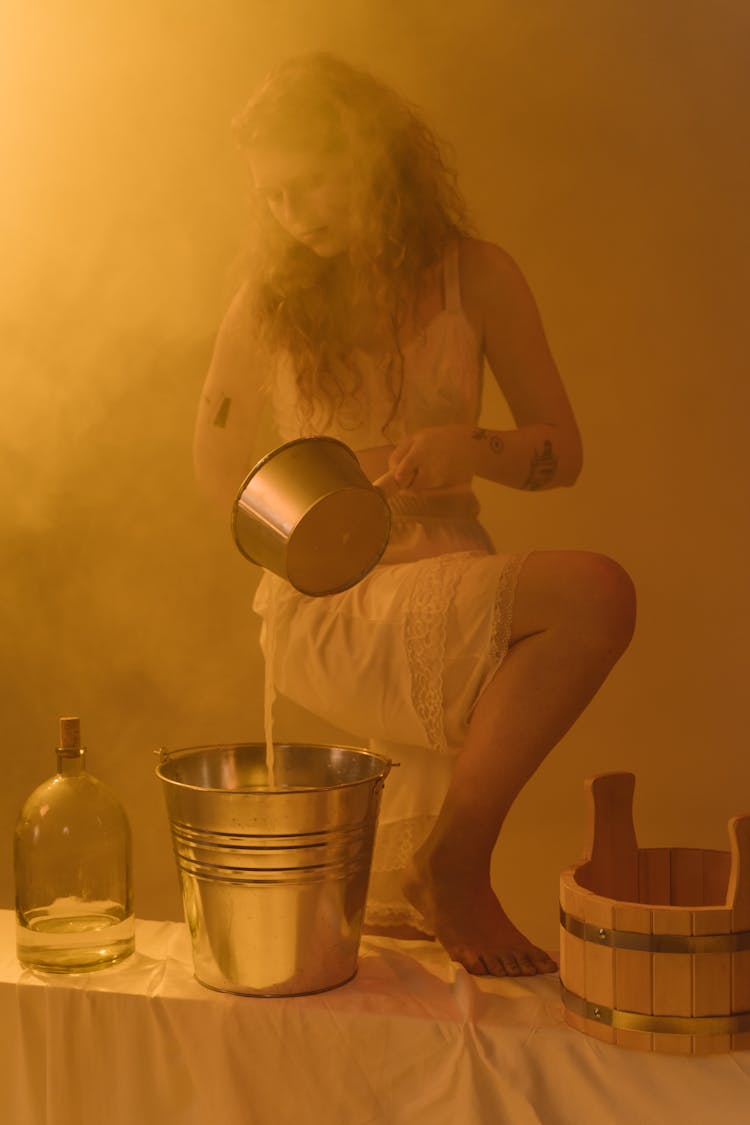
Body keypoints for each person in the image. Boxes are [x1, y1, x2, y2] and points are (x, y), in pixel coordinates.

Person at [193, 52, 636, 978]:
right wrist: (333, 486)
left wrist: (470, 447)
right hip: (330, 595)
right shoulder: (270, 301)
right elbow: (216, 464)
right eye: (272, 197)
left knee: (391, 949)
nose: (294, 215)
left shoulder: (479, 276)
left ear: (375, 159)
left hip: (449, 576)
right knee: (594, 594)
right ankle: (457, 861)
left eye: (310, 184)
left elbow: (564, 451)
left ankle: (434, 876)